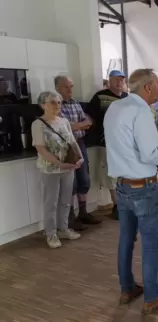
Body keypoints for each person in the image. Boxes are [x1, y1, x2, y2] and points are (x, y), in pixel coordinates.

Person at [103, 69, 158, 315]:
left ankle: (127, 288)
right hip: (143, 187)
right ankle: (151, 297)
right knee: (150, 243)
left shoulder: (115, 108)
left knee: (126, 238)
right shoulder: (140, 111)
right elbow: (151, 154)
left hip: (122, 186)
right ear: (147, 87)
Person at [32, 91, 83, 248]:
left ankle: (64, 229)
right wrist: (59, 164)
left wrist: (80, 157)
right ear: (43, 105)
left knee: (66, 201)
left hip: (68, 168)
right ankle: (51, 234)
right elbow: (41, 149)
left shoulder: (64, 121)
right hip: (50, 169)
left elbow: (73, 142)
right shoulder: (38, 124)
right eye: (52, 102)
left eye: (59, 102)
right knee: (51, 202)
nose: (57, 105)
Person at [55, 75, 100, 232]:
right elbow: (65, 128)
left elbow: (88, 122)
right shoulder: (56, 106)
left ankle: (83, 213)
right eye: (66, 86)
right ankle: (70, 218)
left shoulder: (75, 104)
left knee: (84, 180)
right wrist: (80, 125)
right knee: (70, 184)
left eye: (71, 86)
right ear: (57, 88)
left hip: (79, 144)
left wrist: (78, 125)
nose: (70, 89)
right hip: (65, 147)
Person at [87, 70, 128, 220]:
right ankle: (117, 204)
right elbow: (89, 117)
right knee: (111, 173)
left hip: (124, 143)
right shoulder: (99, 97)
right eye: (116, 80)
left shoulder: (126, 98)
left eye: (121, 80)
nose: (119, 83)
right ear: (109, 80)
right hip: (106, 142)